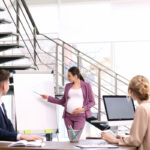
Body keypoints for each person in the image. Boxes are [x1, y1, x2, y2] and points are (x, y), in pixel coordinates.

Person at [41, 66, 95, 137]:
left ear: (75, 76)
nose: (68, 78)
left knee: (75, 138)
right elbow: (62, 101)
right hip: (68, 117)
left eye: (69, 76)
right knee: (71, 138)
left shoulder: (86, 85)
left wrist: (83, 109)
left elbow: (92, 102)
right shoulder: (68, 86)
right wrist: (48, 98)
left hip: (80, 116)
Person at [101, 75, 150, 150]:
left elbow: (136, 141)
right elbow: (143, 136)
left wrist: (113, 140)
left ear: (131, 92)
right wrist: (125, 138)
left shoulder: (142, 108)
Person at [0, 69, 43, 141]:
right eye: (8, 83)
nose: (9, 86)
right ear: (4, 86)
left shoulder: (1, 103)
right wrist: (19, 136)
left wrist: (19, 138)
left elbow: (8, 123)